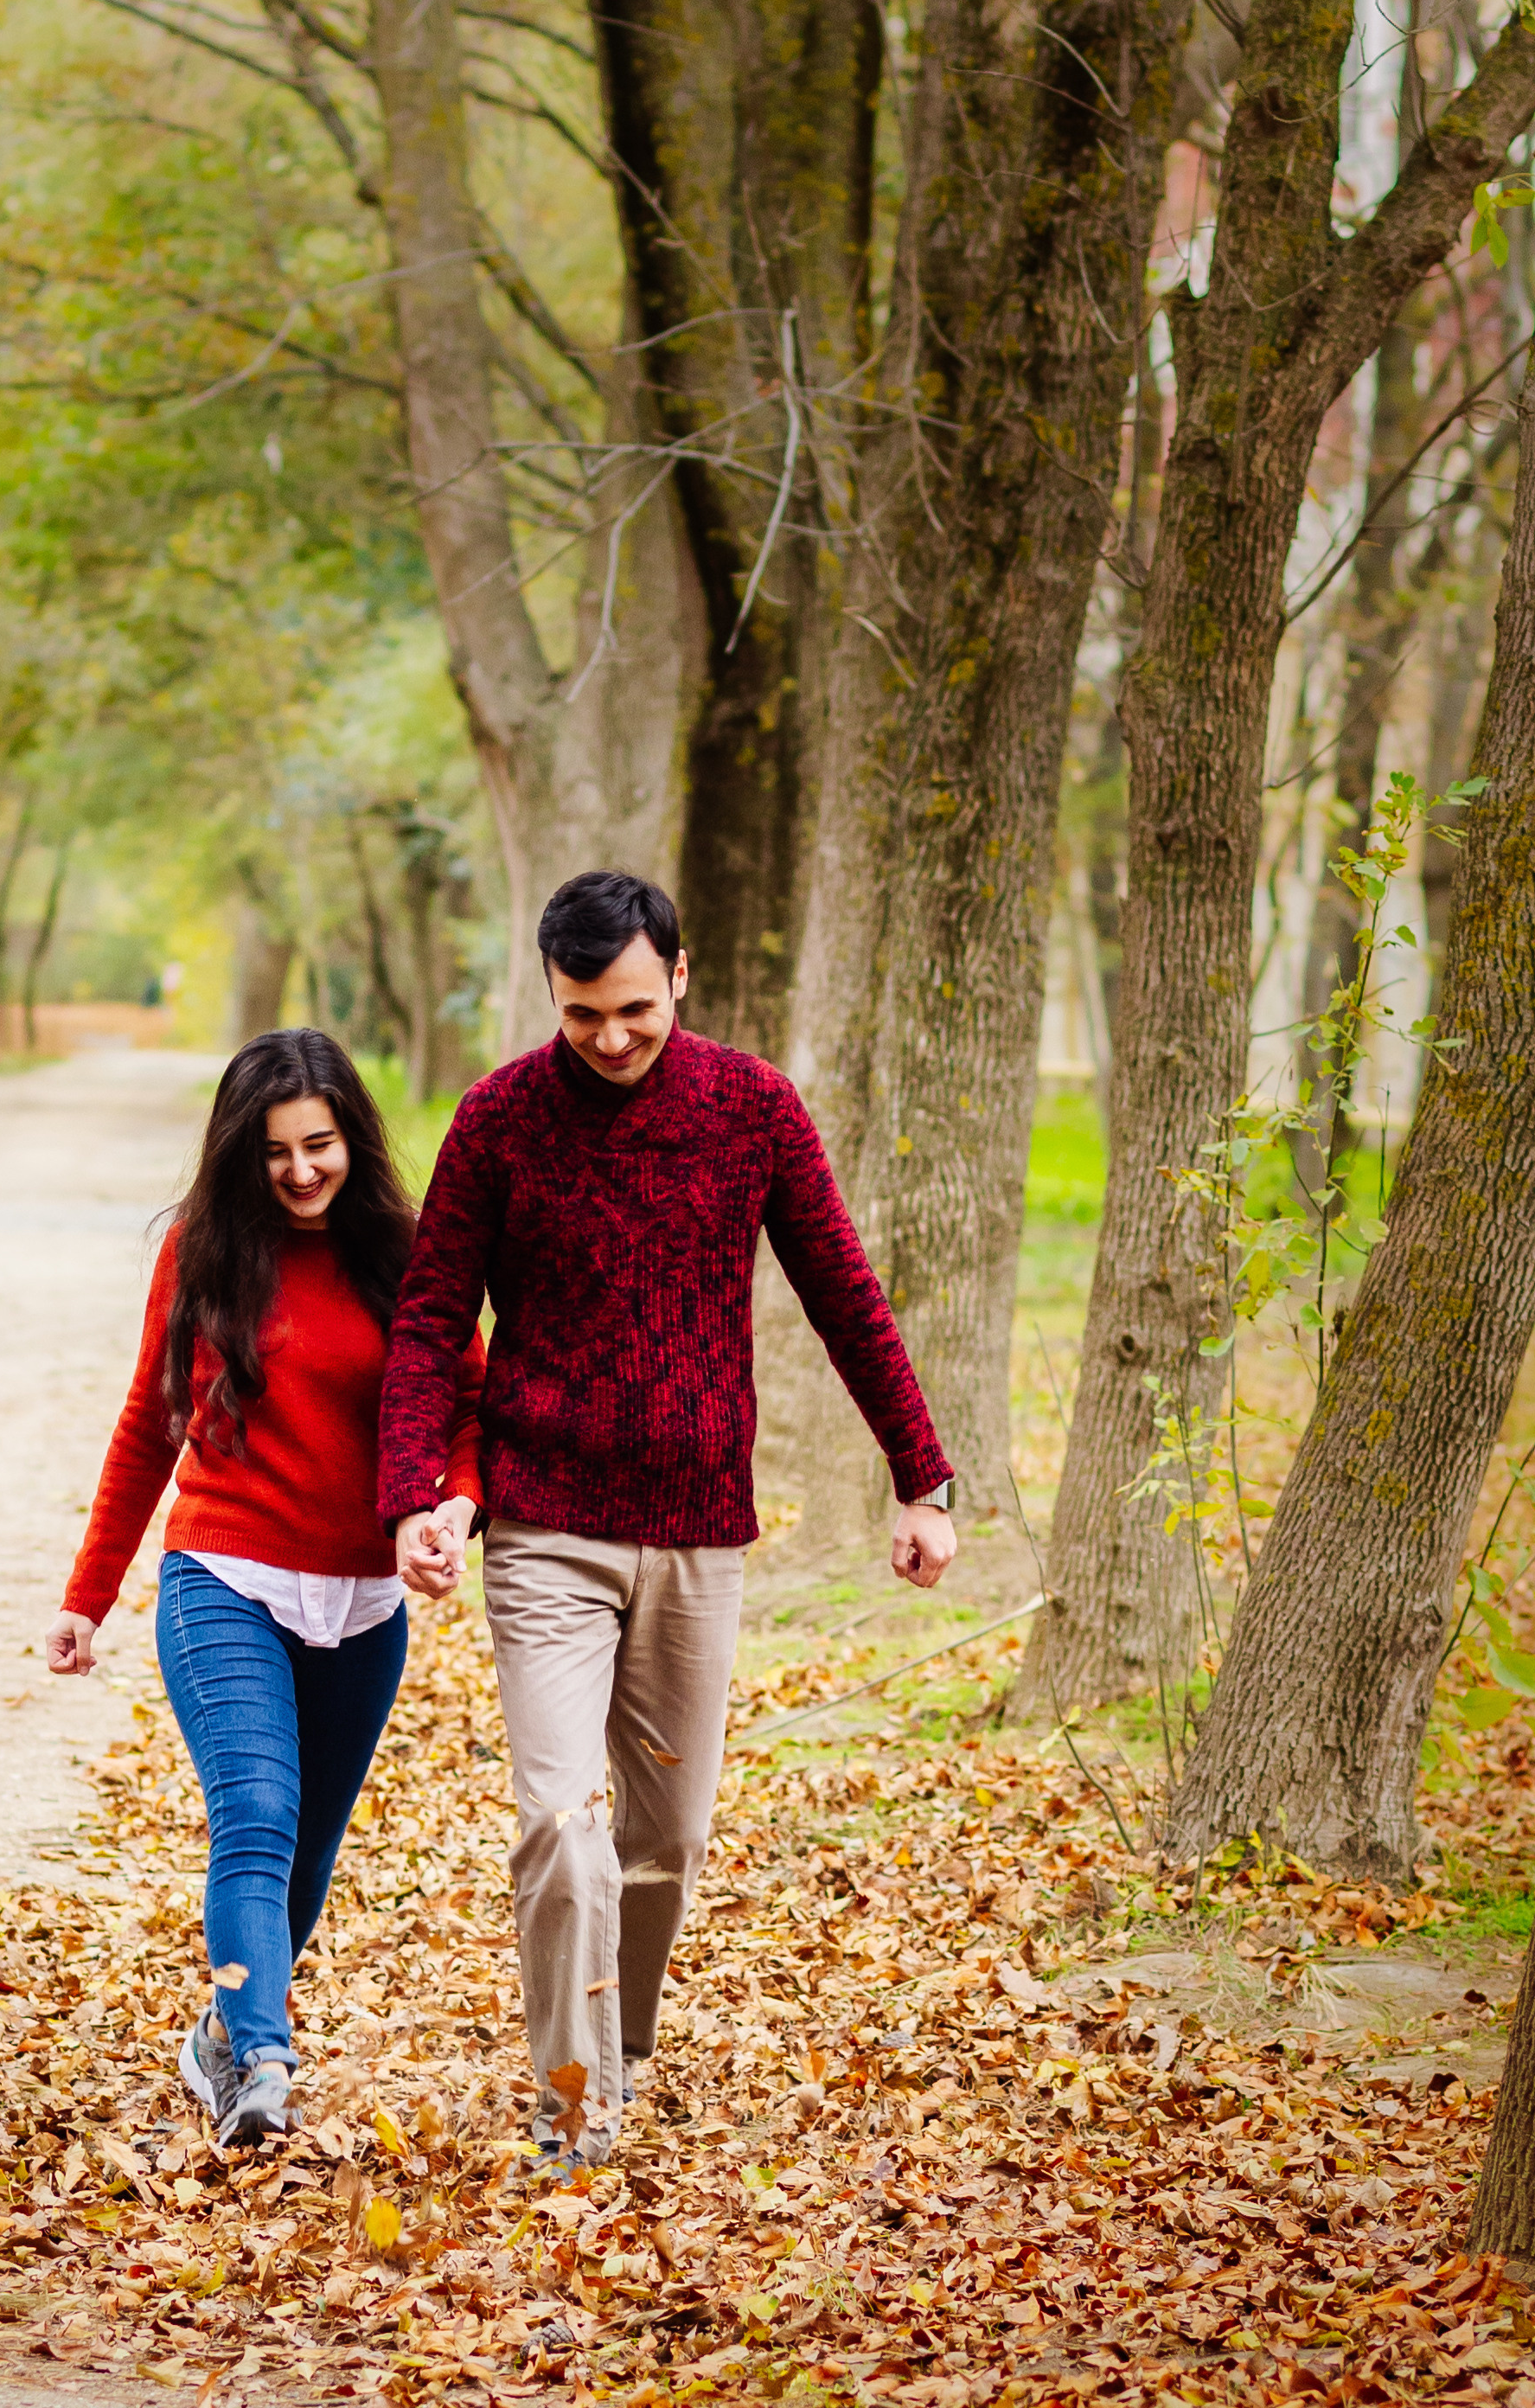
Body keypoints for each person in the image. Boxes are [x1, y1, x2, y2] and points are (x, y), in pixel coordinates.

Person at [378, 869, 955, 2168]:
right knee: (557, 1821)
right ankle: (572, 2099)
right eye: (583, 1015)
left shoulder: (752, 1110)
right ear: (551, 995)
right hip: (544, 1529)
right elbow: (430, 1318)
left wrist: (920, 1478)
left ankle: (624, 2042)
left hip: (698, 1531)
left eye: (633, 1008)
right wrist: (417, 1491)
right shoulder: (498, 1120)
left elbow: (843, 1295)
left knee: (665, 1840)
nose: (611, 1039)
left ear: (679, 979)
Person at [49, 1030, 484, 2150]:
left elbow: (472, 1409)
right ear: (242, 1152)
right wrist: (86, 1597)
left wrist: (453, 1505)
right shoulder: (201, 1250)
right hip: (223, 1576)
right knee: (254, 1817)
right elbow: (151, 1428)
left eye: (319, 1146)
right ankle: (266, 2061)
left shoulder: (404, 1250)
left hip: (361, 1601)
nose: (298, 1171)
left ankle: (221, 2034)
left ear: (353, 1138)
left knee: (308, 1852)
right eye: (275, 1151)